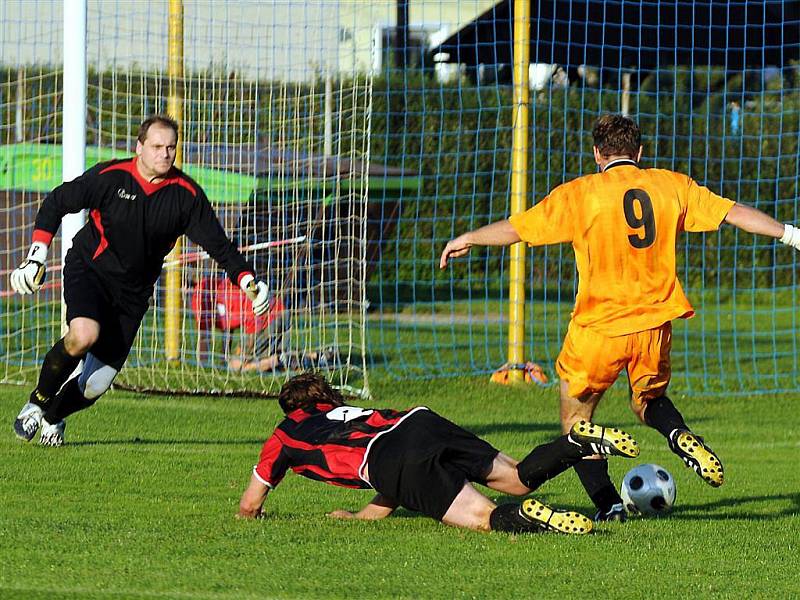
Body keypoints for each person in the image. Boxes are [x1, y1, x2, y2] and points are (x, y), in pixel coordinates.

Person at [440, 113, 800, 522]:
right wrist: (791, 234)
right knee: (648, 400)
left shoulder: (580, 194)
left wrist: (468, 237)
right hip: (653, 324)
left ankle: (609, 505)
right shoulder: (671, 185)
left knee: (576, 420)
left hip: (599, 327)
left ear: (597, 154)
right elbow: (733, 212)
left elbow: (518, 229)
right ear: (640, 152)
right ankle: (677, 433)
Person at [10, 115, 271, 446]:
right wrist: (36, 256)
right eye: (157, 146)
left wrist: (249, 281)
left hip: (132, 294)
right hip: (90, 270)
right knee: (83, 334)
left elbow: (218, 245)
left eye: (171, 147)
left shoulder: (186, 195)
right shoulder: (111, 177)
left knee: (96, 385)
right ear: (139, 147)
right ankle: (37, 401)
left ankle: (54, 415)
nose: (164, 153)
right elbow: (57, 202)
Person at [237, 372, 640, 535]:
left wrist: (251, 518)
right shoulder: (345, 411)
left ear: (290, 410)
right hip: (418, 422)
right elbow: (395, 485)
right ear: (325, 398)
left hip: (389, 458)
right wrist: (362, 516)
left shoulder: (285, 435)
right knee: (516, 478)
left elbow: (250, 505)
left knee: (485, 517)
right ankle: (575, 443)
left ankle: (533, 516)